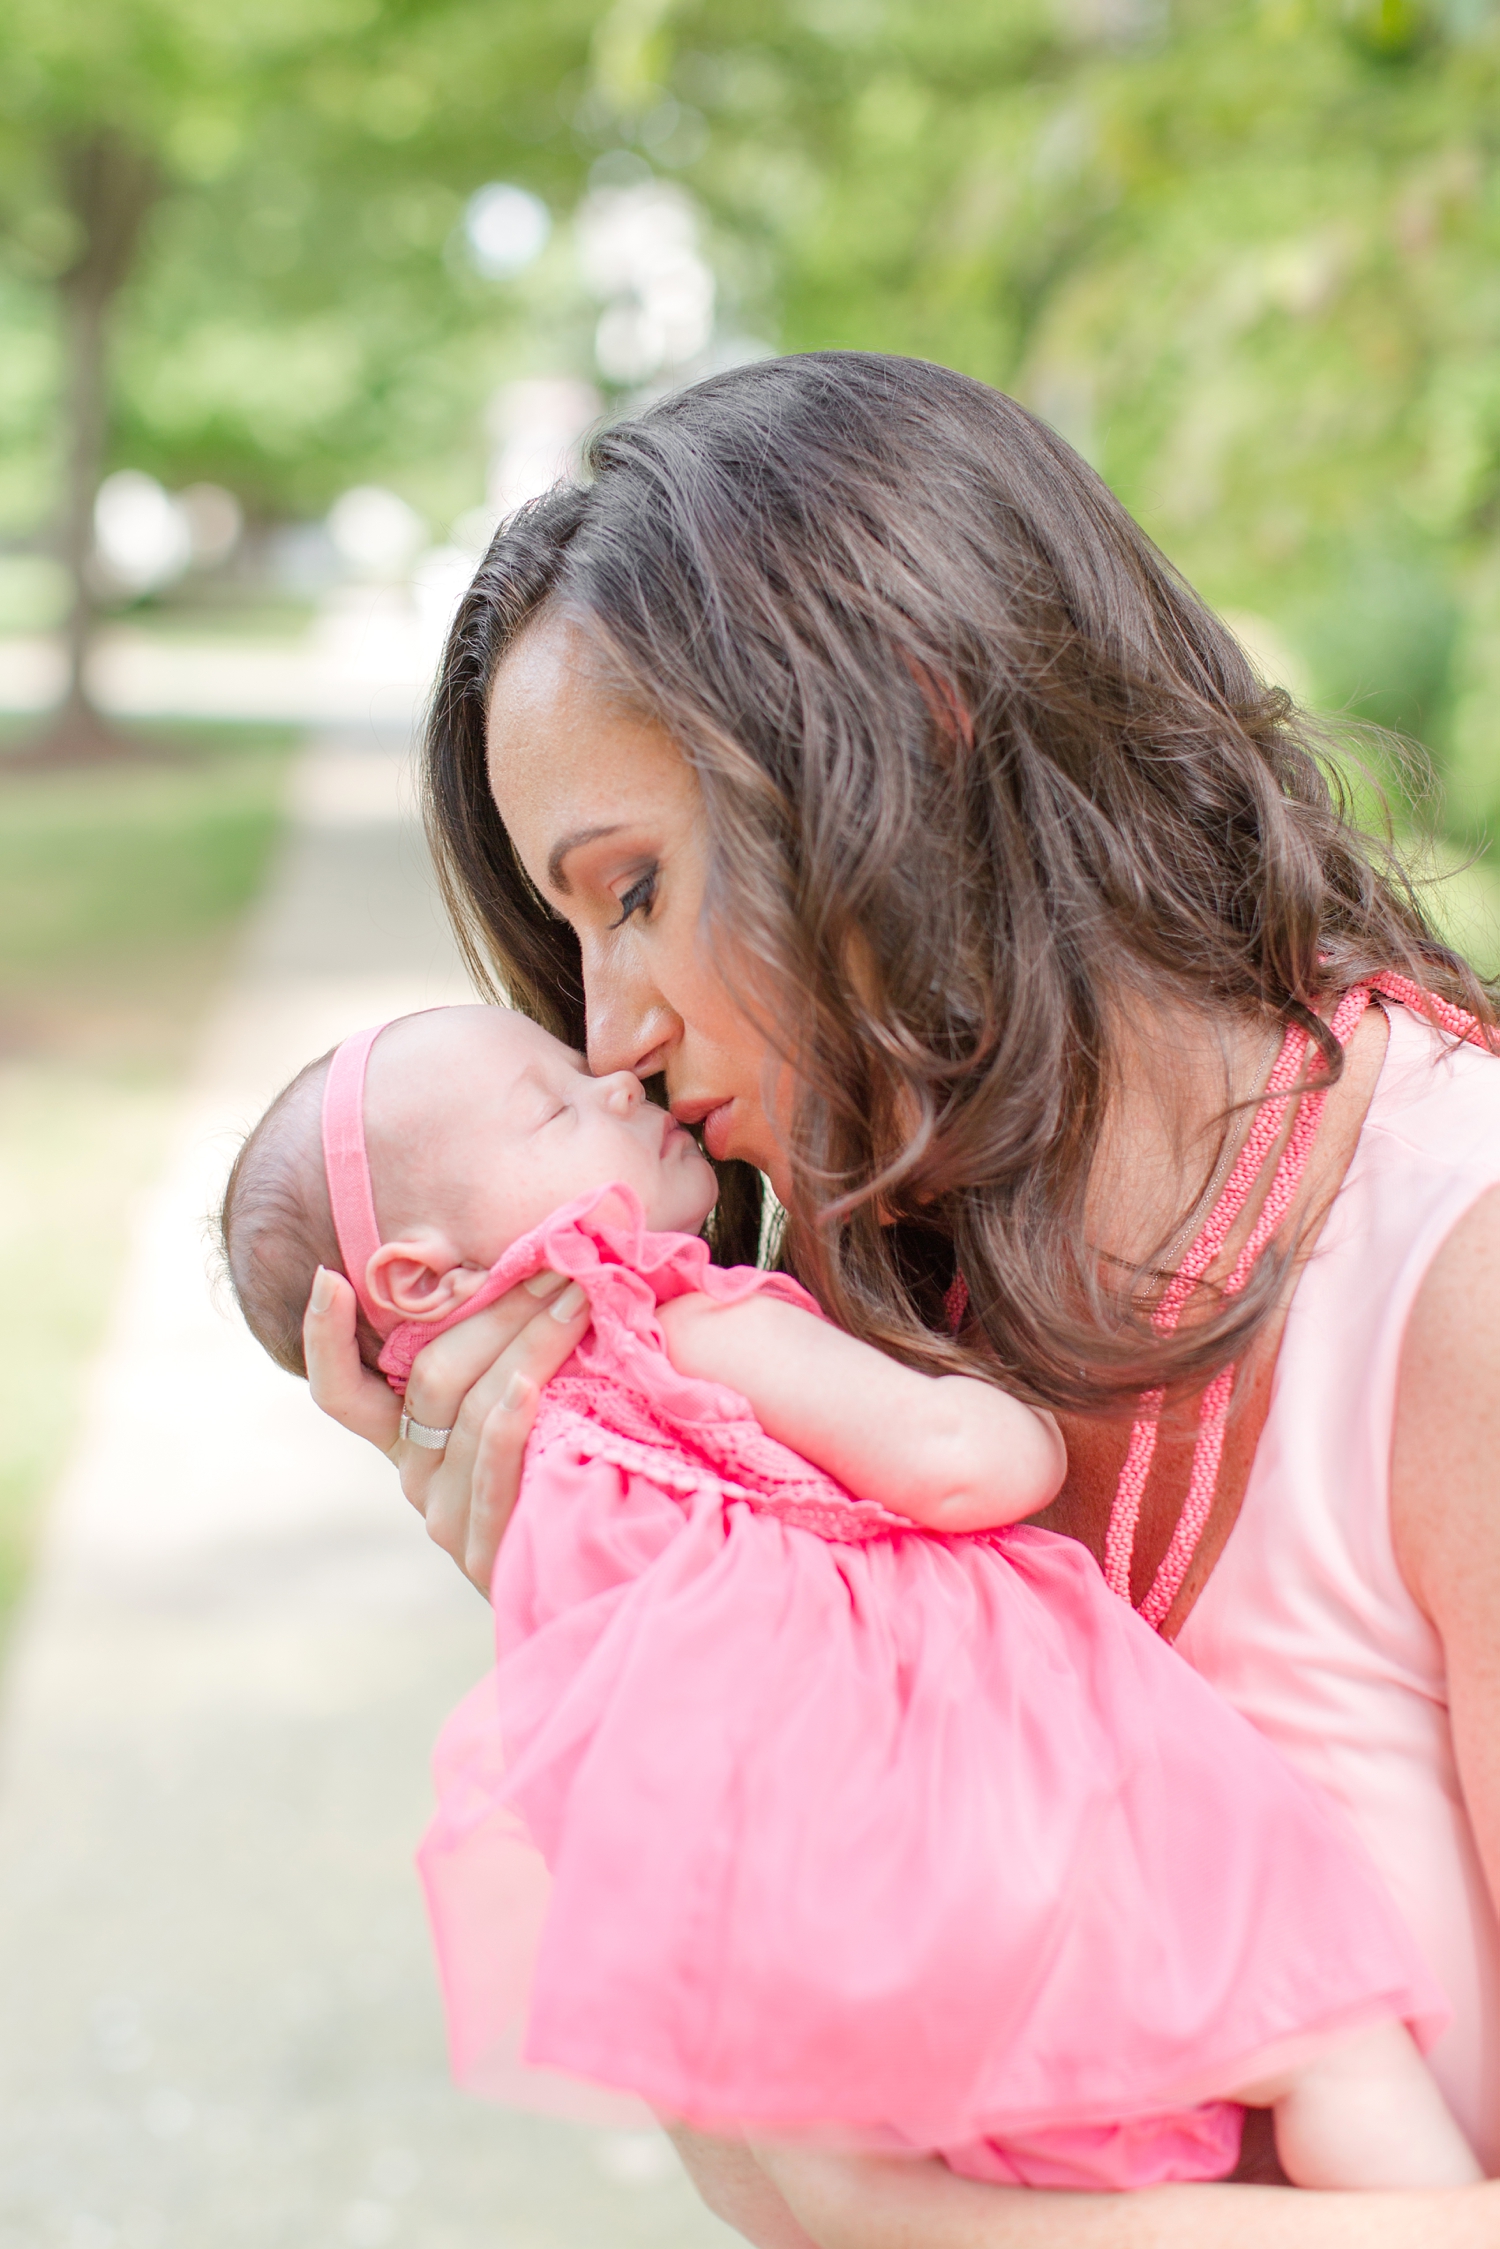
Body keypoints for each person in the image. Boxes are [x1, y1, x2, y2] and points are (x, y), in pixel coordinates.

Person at [303, 353, 1500, 2244]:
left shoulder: (1460, 1272)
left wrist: (926, 2221)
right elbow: (768, 2153)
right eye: (569, 933)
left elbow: (847, 2198)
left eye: (634, 890)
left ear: (916, 725)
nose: (609, 1038)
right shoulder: (866, 1295)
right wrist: (640, 1609)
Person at [220, 1001, 1472, 2192]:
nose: (613, 1071)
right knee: (1322, 2037)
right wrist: (1025, 1420)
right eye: (552, 1111)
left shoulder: (542, 1483)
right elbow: (967, 1461)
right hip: (1005, 1807)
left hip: (852, 1947)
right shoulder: (681, 1329)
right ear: (421, 1279)